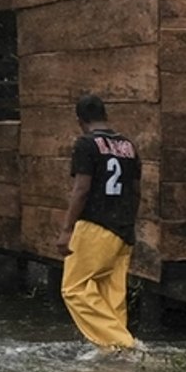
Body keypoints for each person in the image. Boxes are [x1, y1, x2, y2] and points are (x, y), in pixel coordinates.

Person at [55, 92, 145, 357]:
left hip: (95, 225)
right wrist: (130, 224)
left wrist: (67, 229)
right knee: (111, 293)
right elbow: (137, 189)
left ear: (79, 120)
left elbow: (82, 189)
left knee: (73, 289)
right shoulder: (129, 146)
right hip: (123, 229)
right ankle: (113, 354)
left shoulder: (86, 144)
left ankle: (124, 344)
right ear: (106, 115)